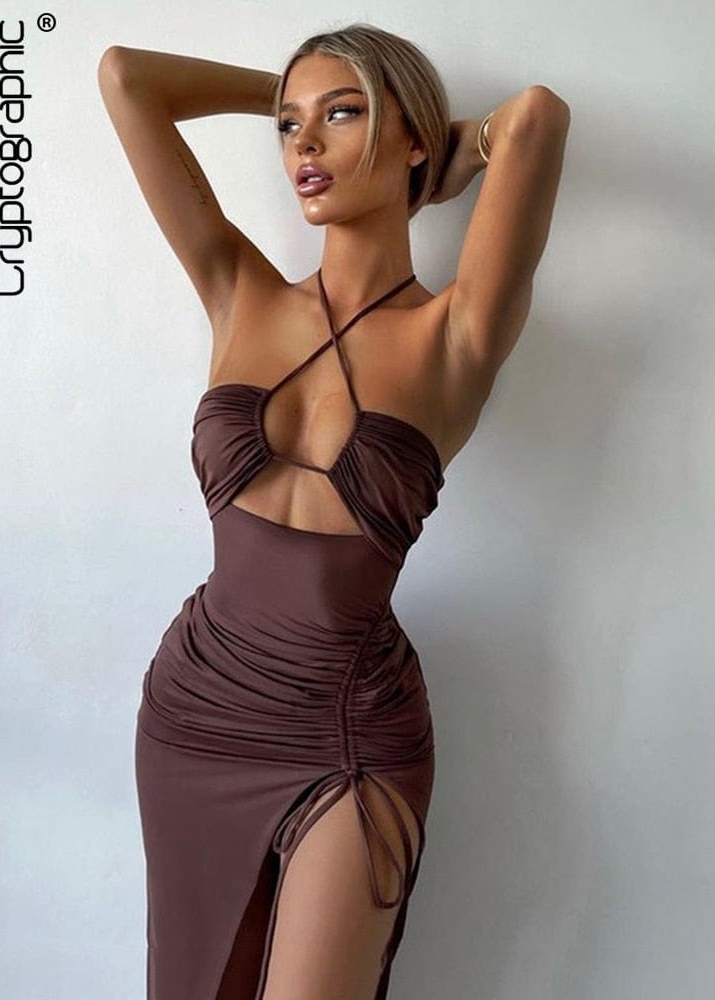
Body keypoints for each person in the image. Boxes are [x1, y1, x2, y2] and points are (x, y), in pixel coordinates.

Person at [97, 20, 569, 1000]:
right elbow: (126, 77)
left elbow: (536, 119)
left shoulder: (456, 332)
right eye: (289, 124)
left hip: (349, 734)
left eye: (342, 114)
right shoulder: (239, 292)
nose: (303, 144)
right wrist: (294, 95)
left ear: (412, 138)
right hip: (196, 709)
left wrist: (452, 145)